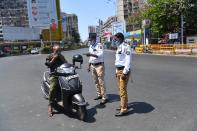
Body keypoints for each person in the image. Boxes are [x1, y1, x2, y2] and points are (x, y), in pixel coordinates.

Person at [84, 35, 108, 105]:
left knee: (101, 82)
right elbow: (90, 58)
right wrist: (89, 66)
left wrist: (91, 54)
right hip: (93, 66)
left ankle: (104, 97)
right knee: (96, 81)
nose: (89, 41)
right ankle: (99, 94)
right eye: (89, 40)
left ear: (94, 39)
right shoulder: (90, 46)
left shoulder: (99, 45)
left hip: (99, 65)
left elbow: (100, 55)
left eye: (90, 40)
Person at [45, 44, 67, 117]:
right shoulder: (50, 56)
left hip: (62, 74)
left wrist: (61, 57)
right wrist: (53, 58)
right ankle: (50, 105)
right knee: (53, 87)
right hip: (54, 74)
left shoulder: (61, 56)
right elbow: (48, 64)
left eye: (59, 50)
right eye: (57, 50)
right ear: (53, 50)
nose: (59, 52)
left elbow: (66, 63)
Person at [113, 32, 132, 117]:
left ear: (120, 38)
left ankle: (124, 109)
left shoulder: (126, 47)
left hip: (123, 71)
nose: (114, 41)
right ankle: (124, 104)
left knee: (122, 90)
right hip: (118, 70)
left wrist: (124, 72)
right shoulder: (119, 47)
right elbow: (118, 61)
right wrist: (116, 71)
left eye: (115, 39)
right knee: (121, 89)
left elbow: (128, 60)